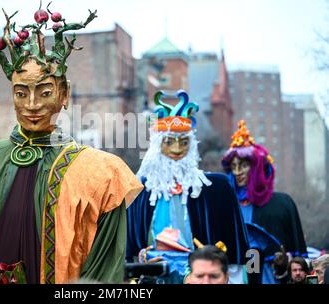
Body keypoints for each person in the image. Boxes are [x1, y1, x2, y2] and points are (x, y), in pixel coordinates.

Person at [0, 2, 143, 284]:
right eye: (21, 93)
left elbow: (103, 272)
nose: (32, 105)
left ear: (64, 94)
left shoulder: (102, 175)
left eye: (45, 92)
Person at [126, 90, 249, 284]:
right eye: (169, 142)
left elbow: (234, 253)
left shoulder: (215, 189)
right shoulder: (139, 190)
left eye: (183, 143)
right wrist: (141, 259)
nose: (176, 149)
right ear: (158, 145)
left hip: (200, 275)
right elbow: (126, 248)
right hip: (155, 273)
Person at [221, 120, 307, 284]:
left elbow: (300, 263)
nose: (238, 172)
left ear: (256, 169)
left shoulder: (282, 204)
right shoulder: (225, 209)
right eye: (234, 166)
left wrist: (283, 264)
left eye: (243, 165)